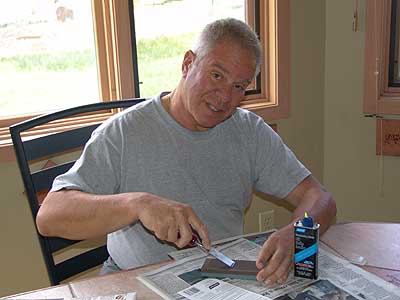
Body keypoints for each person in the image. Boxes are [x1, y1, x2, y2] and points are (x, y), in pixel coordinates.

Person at [36, 18, 336, 286]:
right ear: (187, 63)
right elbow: (50, 216)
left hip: (224, 280)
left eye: (239, 86)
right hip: (138, 280)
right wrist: (137, 205)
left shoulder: (249, 131)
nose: (224, 97)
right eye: (216, 75)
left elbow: (320, 198)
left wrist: (298, 234)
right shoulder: (125, 132)